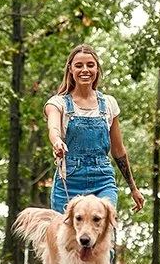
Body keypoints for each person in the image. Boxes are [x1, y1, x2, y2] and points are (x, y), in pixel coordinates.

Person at [45, 44, 145, 215]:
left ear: (97, 69)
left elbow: (118, 150)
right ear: (70, 69)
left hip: (103, 180)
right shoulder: (58, 103)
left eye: (90, 65)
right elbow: (53, 128)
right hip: (69, 180)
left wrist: (133, 188)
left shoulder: (108, 104)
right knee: (66, 239)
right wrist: (57, 142)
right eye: (79, 65)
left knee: (104, 233)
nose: (85, 70)